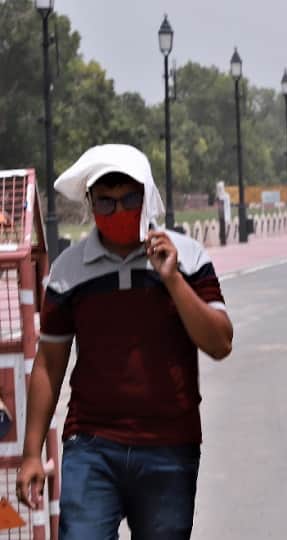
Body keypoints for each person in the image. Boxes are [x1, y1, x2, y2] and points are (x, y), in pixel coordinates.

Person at [16, 144, 234, 539]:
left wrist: (172, 279)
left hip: (169, 445)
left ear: (147, 197)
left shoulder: (187, 257)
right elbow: (49, 362)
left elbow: (220, 342)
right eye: (106, 202)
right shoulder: (69, 270)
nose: (118, 212)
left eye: (129, 199)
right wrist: (32, 453)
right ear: (90, 203)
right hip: (92, 445)